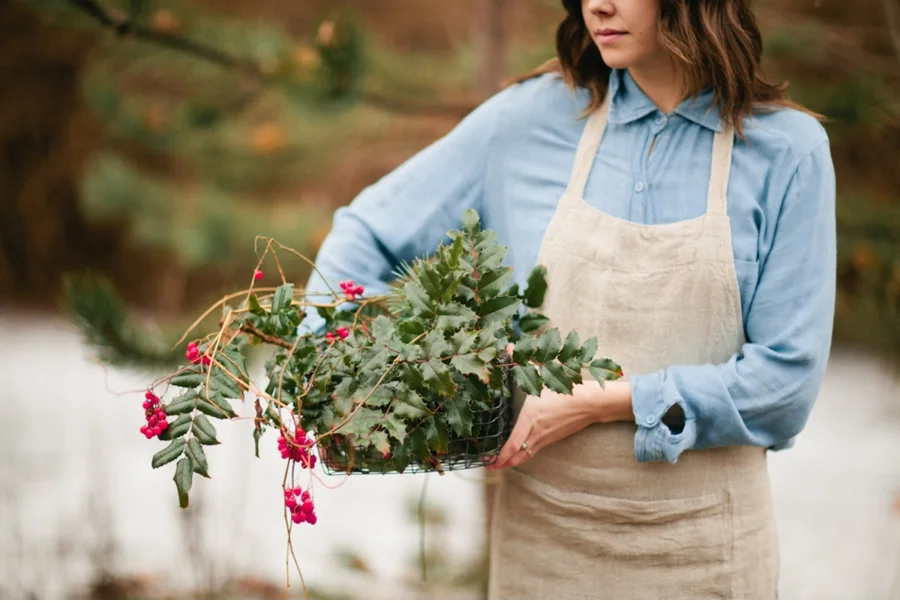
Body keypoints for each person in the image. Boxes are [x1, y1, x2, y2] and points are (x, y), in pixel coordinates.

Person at [300, 0, 836, 598]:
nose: (598, 4)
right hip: (545, 554)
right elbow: (366, 232)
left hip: (707, 556)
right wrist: (333, 364)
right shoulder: (530, 121)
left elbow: (784, 387)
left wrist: (599, 402)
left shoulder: (789, 152)